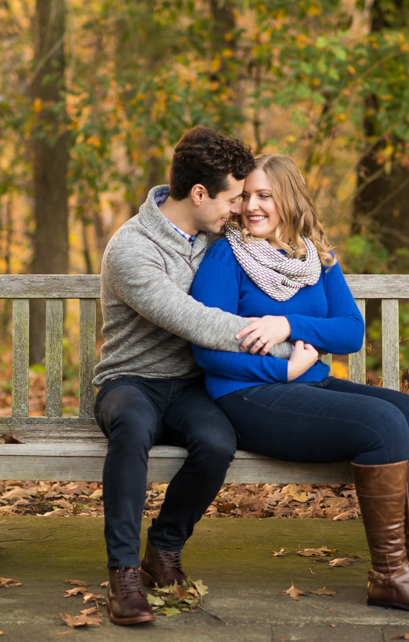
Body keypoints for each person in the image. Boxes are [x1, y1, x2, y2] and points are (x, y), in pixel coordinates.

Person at [190, 154, 409, 613]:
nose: (251, 207)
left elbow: (350, 331)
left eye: (264, 196)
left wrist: (285, 324)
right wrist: (282, 369)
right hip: (248, 396)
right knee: (383, 426)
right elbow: (208, 351)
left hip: (309, 386)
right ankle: (390, 576)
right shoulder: (224, 256)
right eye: (245, 196)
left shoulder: (315, 256)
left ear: (288, 199)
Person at [92, 128, 295, 625]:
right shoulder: (131, 249)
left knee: (217, 441)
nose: (239, 209)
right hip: (129, 382)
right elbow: (195, 321)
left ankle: (162, 550)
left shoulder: (219, 238)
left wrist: (302, 321)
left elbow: (281, 264)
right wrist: (283, 343)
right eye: (232, 198)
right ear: (199, 194)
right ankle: (122, 575)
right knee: (134, 428)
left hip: (188, 386)